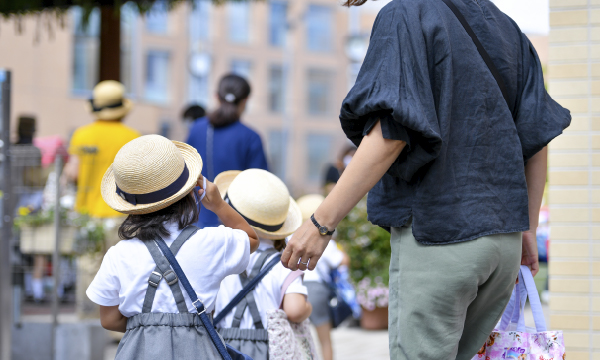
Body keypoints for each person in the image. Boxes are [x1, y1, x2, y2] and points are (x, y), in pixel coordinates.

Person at [282, 0, 571, 359]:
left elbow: (390, 134)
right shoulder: (506, 27)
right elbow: (536, 138)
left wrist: (320, 224)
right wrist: (525, 226)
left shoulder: (405, 13)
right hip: (503, 243)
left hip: (442, 234)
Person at [86, 135, 259, 360]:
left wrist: (150, 327)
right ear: (189, 193)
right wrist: (218, 204)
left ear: (131, 207)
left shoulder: (118, 254)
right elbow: (251, 239)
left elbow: (109, 319)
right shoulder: (212, 242)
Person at [213, 169, 313, 360]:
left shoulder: (219, 253)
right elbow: (295, 310)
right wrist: (309, 307)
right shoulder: (284, 263)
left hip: (220, 343)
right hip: (266, 347)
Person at [186, 74, 269, 228]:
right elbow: (261, 188)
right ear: (245, 101)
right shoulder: (251, 137)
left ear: (216, 96)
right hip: (235, 226)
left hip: (193, 222)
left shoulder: (196, 129)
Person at [64, 80, 140, 218]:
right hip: (121, 212)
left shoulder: (81, 134)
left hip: (85, 211)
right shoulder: (133, 137)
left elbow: (73, 173)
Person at [297, 194, 349, 360]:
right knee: (324, 339)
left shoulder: (291, 240)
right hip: (317, 289)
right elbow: (343, 261)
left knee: (298, 338)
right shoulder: (326, 243)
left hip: (295, 289)